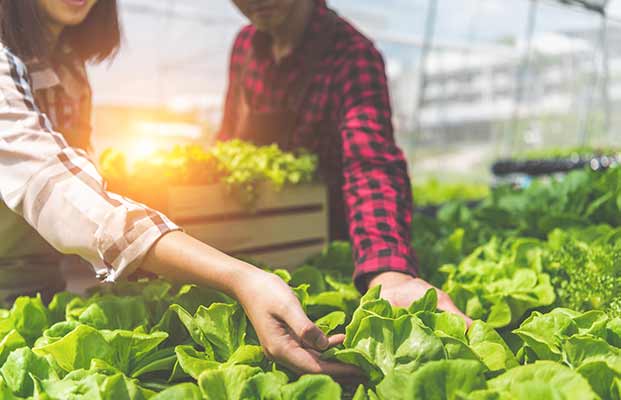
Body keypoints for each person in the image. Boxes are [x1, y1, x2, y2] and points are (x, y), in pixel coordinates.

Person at [0, 0, 359, 377]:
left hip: (45, 285)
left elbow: (81, 174)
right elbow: (60, 190)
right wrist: (240, 277)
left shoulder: (67, 64)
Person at [220, 0, 470, 322]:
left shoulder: (351, 55)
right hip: (256, 248)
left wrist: (388, 274)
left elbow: (370, 164)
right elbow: (228, 141)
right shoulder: (245, 47)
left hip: (329, 249)